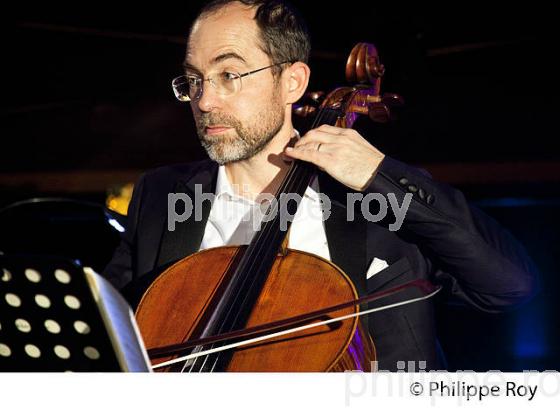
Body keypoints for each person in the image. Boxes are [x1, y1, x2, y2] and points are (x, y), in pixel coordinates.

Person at [103, 0, 538, 371]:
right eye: (195, 79)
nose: (204, 100)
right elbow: (109, 336)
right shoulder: (161, 195)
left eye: (229, 76)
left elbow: (508, 286)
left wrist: (379, 174)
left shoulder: (374, 198)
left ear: (291, 82)